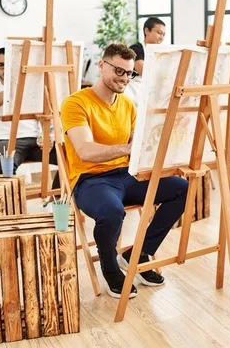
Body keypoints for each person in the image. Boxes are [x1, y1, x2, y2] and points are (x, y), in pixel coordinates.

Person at [61, 43, 187, 299]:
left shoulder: (128, 105)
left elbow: (138, 146)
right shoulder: (76, 103)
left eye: (130, 73)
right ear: (101, 65)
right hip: (90, 180)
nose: (125, 78)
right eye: (119, 71)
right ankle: (109, 267)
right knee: (112, 212)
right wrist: (128, 149)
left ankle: (136, 254)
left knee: (182, 188)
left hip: (127, 176)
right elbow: (86, 151)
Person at [0, 47, 58, 175]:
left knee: (70, 155)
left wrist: (48, 137)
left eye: (10, 64)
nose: (6, 69)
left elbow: (45, 117)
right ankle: (14, 195)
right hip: (4, 140)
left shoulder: (33, 86)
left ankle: (59, 194)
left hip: (35, 141)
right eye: (1, 65)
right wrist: (15, 88)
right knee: (3, 168)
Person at [125, 17, 167, 106]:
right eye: (159, 33)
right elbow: (144, 71)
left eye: (164, 34)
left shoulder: (158, 52)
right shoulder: (136, 49)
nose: (161, 38)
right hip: (133, 91)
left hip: (147, 92)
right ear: (147, 31)